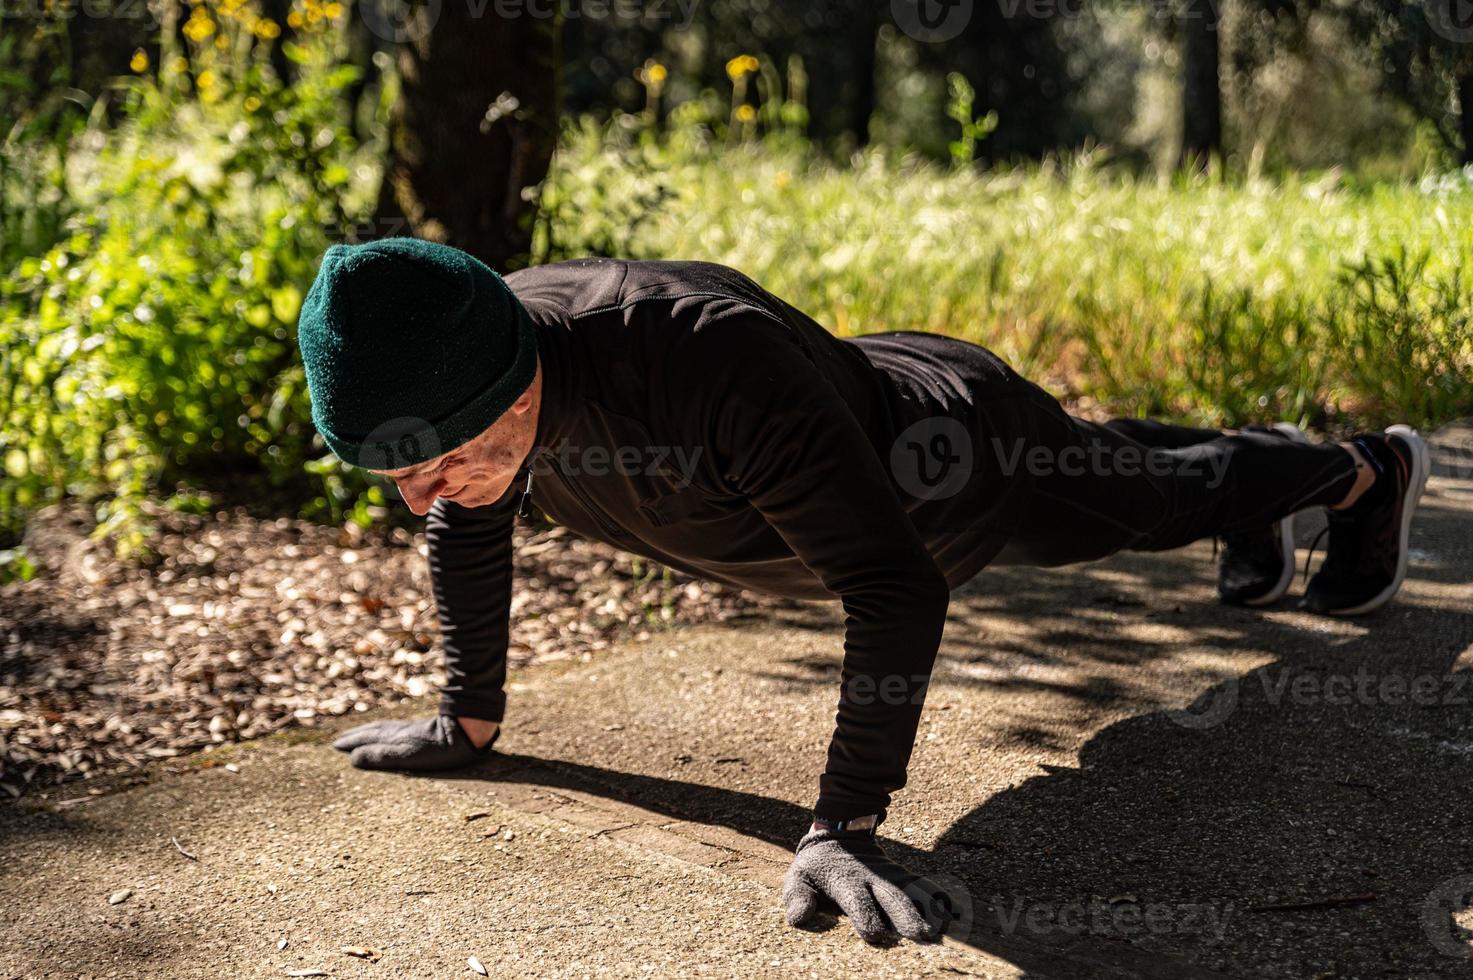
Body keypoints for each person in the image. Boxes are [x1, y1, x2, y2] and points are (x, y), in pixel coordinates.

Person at [296, 238, 1431, 945]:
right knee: (1133, 472)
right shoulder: (471, 359)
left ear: (515, 373)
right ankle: (1268, 469)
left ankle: (1360, 469)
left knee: (1143, 500)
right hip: (861, 426)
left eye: (440, 457)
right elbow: (466, 522)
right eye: (396, 469)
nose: (420, 497)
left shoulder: (701, 365)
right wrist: (468, 715)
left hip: (954, 467)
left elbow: (893, 585)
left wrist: (844, 824)